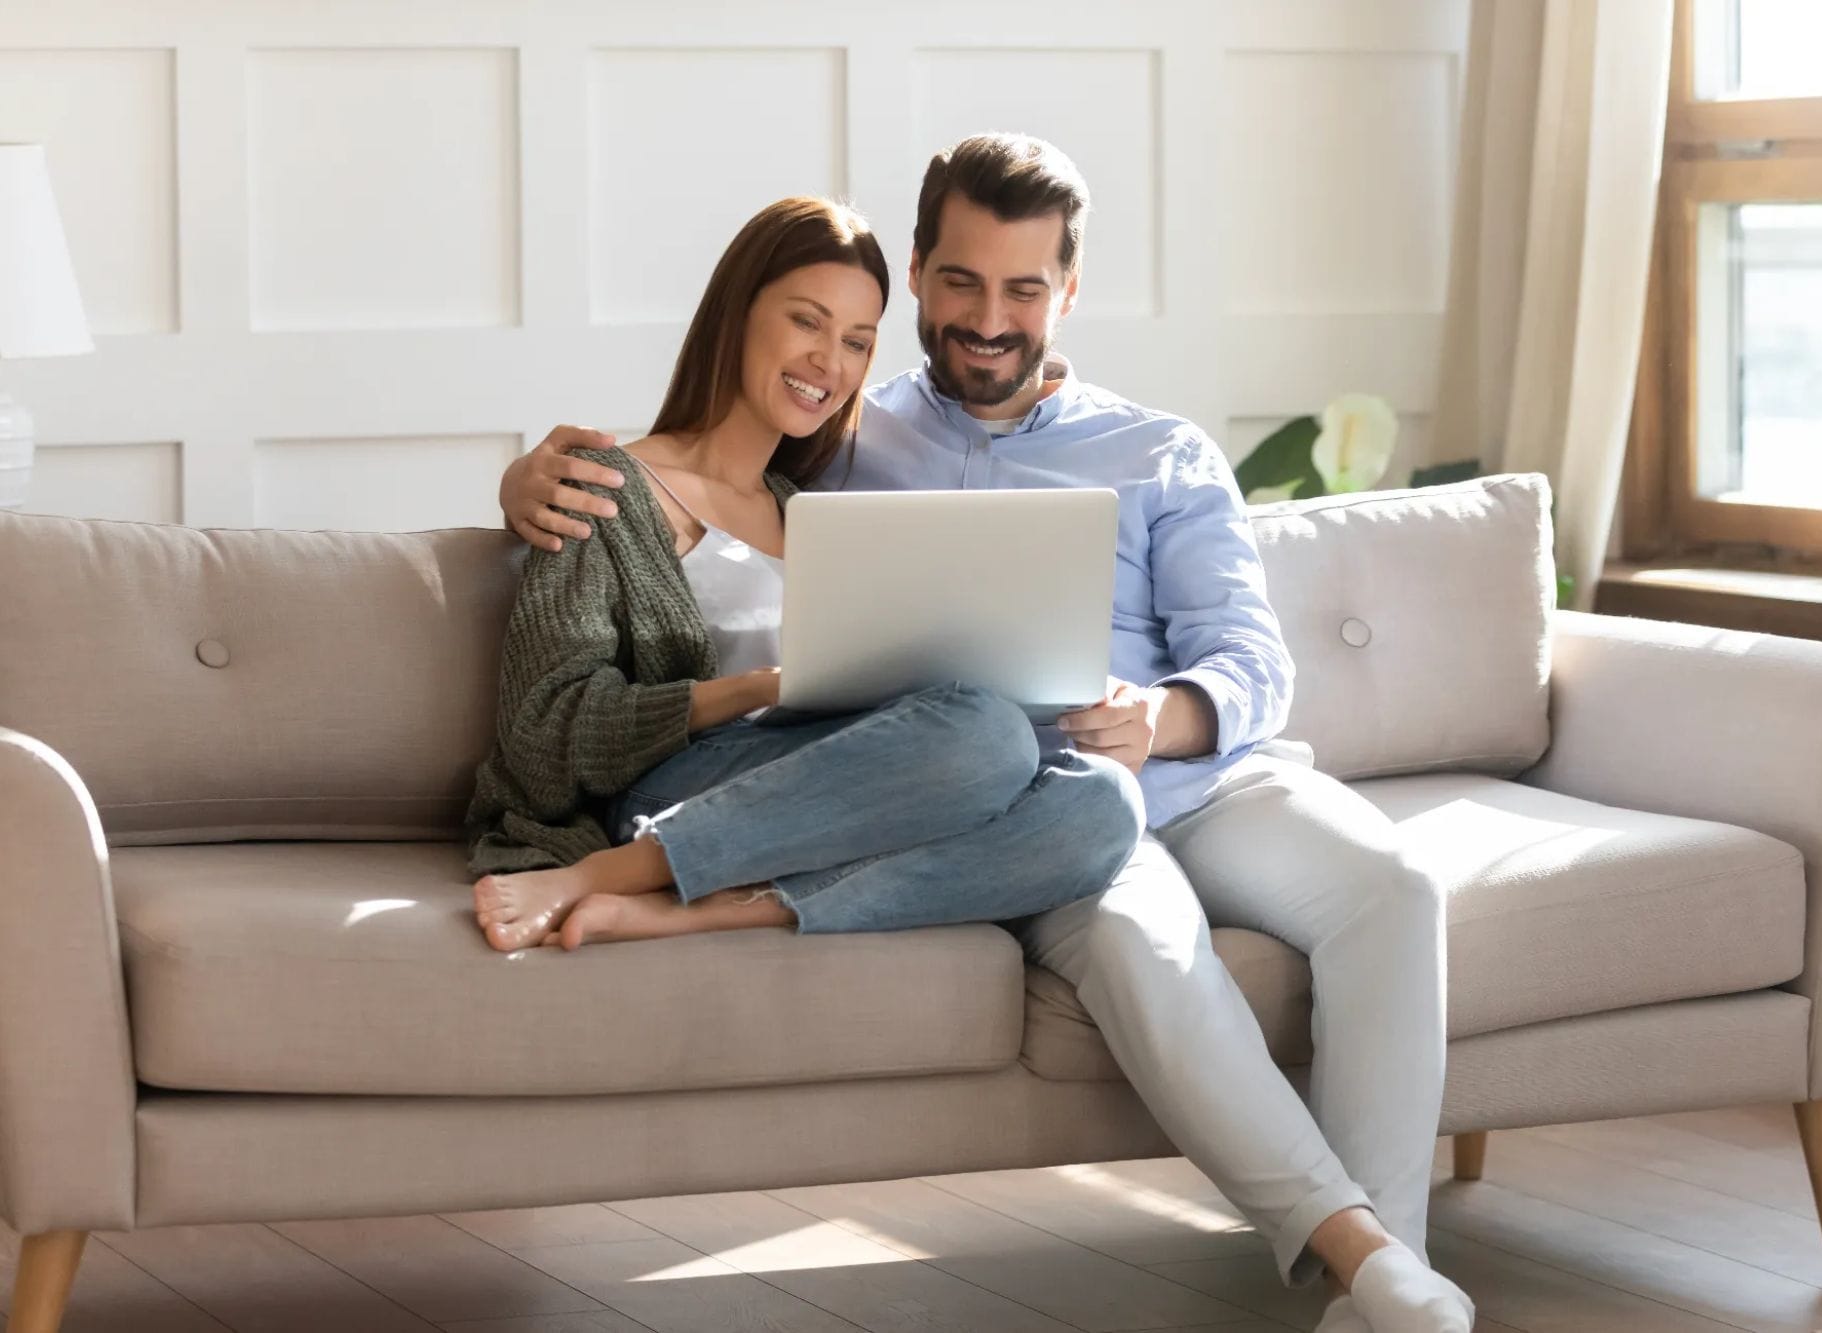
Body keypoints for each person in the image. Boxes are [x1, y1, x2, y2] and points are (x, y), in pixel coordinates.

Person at [499, 140, 1470, 1333]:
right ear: (916, 274)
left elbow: (1253, 661)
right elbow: (679, 495)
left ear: (1067, 293)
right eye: (960, 283)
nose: (988, 319)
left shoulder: (1157, 452)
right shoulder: (844, 439)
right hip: (1031, 803)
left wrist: (1159, 717)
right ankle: (1368, 1267)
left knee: (1393, 887)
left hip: (1192, 771)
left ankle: (1388, 1282)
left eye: (1022, 290)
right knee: (1138, 946)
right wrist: (526, 480)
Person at [466, 194, 1144, 957]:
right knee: (987, 735)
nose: (830, 362)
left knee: (1105, 804)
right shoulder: (600, 485)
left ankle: (717, 908)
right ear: (739, 310)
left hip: (824, 790)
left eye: (857, 341)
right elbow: (542, 734)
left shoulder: (814, 509)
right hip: (674, 790)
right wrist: (761, 686)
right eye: (807, 321)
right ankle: (616, 870)